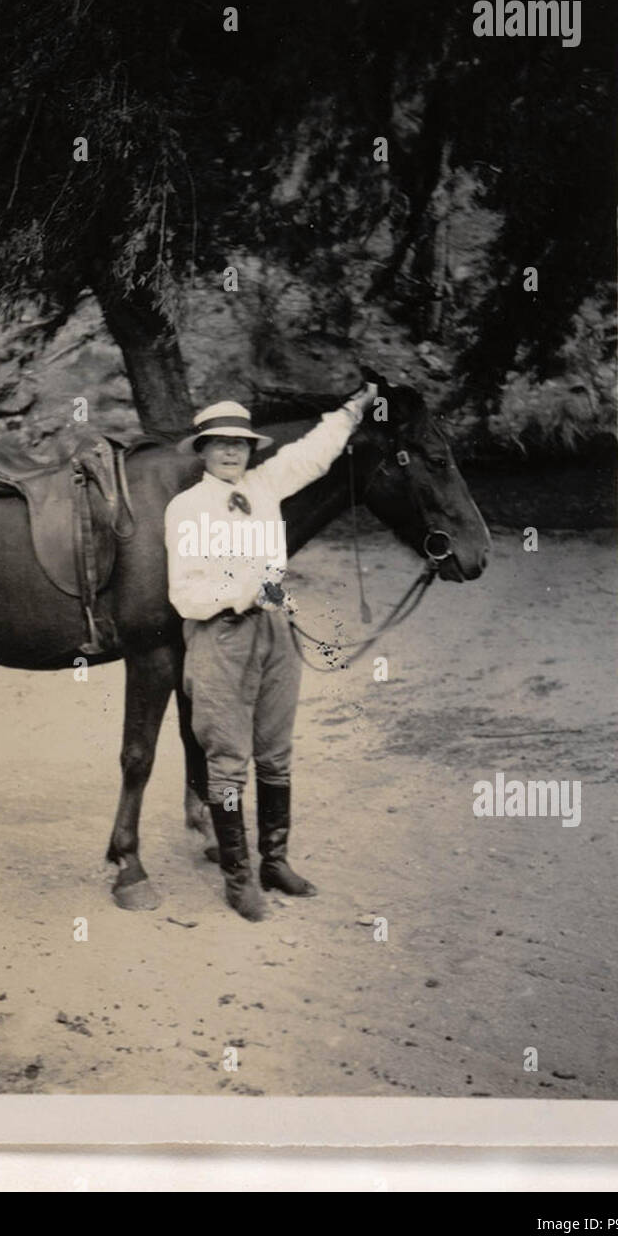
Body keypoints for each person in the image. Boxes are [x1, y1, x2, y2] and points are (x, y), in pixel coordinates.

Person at [165, 382, 378, 921]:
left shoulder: (265, 486)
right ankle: (237, 876)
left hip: (275, 633)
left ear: (251, 448)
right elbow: (185, 593)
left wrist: (354, 409)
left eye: (240, 443)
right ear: (203, 451)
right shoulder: (186, 509)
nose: (232, 451)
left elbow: (314, 453)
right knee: (228, 761)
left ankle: (273, 861)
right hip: (221, 637)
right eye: (220, 443)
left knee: (276, 753)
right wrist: (246, 592)